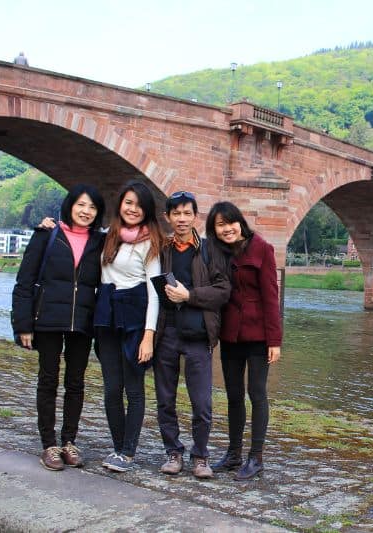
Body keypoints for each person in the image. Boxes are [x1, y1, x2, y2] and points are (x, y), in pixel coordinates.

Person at [12, 184, 106, 471]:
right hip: (48, 320)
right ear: (70, 206)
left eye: (92, 207)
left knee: (76, 383)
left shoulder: (100, 241)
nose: (86, 211)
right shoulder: (47, 234)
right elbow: (25, 281)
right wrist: (23, 324)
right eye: (81, 205)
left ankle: (69, 441)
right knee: (48, 380)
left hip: (82, 322)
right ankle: (49, 444)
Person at [153, 191, 231, 478]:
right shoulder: (161, 249)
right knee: (165, 398)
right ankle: (173, 452)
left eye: (187, 213)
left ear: (195, 216)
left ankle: (200, 456)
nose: (182, 219)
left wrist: (190, 295)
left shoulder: (210, 250)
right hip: (167, 331)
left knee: (202, 402)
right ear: (168, 217)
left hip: (198, 333)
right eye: (176, 214)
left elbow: (223, 291)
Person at [207, 201, 282, 480]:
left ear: (240, 222)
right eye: (220, 225)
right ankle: (234, 454)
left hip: (258, 335)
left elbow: (271, 297)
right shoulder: (217, 252)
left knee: (257, 393)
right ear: (214, 230)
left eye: (230, 222)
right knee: (233, 394)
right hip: (231, 335)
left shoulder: (262, 249)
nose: (227, 229)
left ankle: (256, 457)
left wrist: (274, 340)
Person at [94, 180, 164, 473]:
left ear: (147, 210)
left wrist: (149, 336)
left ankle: (128, 452)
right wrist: (50, 226)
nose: (133, 209)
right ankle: (118, 447)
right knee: (112, 389)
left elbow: (154, 293)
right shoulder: (109, 236)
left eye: (139, 205)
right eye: (128, 203)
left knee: (133, 390)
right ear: (120, 204)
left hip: (134, 322)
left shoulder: (150, 242)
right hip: (107, 320)